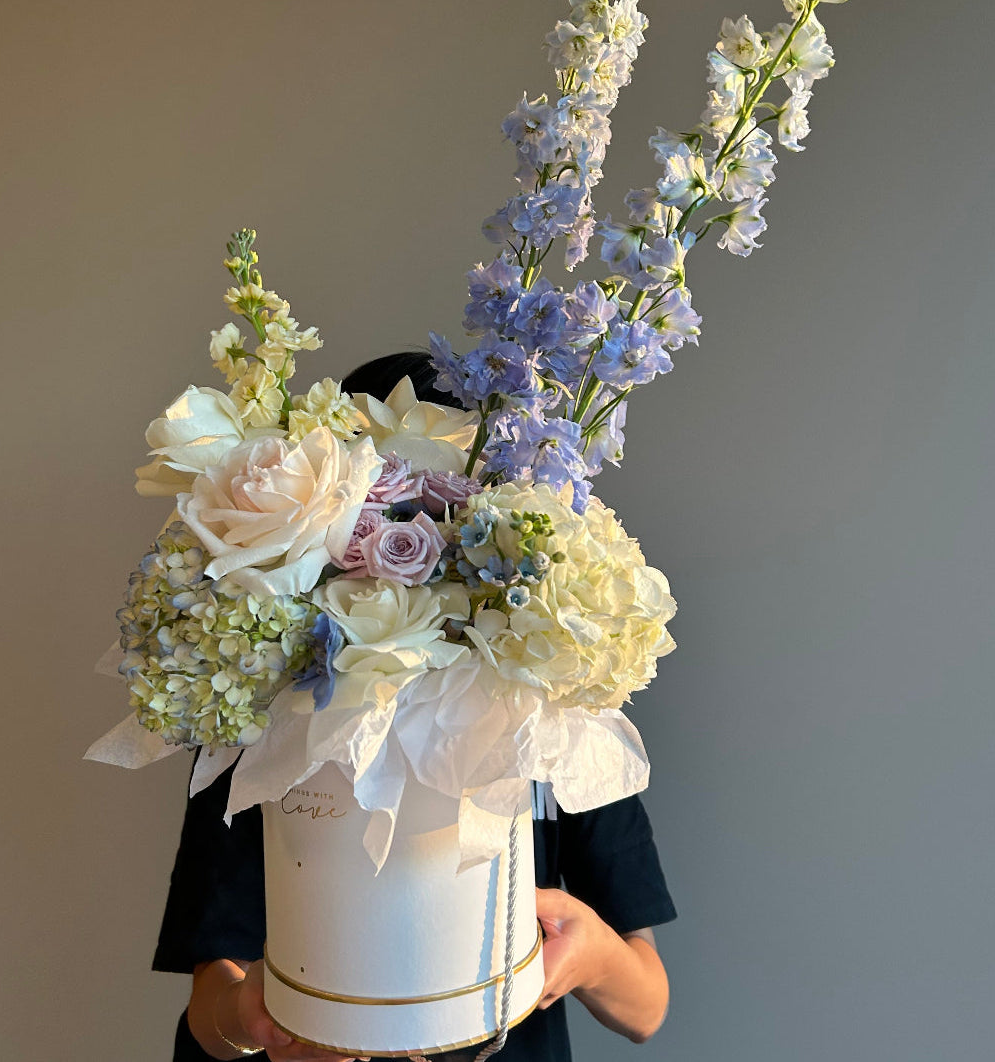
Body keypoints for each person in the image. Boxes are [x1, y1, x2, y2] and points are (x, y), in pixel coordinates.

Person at [152, 352, 677, 1061]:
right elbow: (210, 1001)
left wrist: (584, 951)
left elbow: (645, 1004)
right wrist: (255, 1018)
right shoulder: (270, 726)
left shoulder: (554, 724)